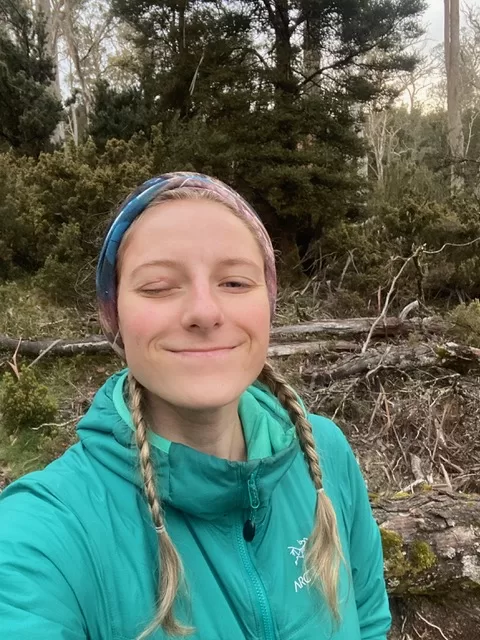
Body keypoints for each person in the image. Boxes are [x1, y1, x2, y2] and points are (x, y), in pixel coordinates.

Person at [0, 172, 391, 640]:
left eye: (234, 281)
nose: (205, 312)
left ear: (268, 305)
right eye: (159, 286)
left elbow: (368, 621)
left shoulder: (325, 456)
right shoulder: (41, 535)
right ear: (115, 315)